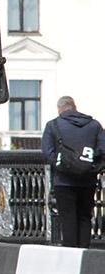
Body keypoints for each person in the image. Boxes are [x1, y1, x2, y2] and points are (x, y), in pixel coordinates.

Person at [41, 95, 105, 248]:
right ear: (75, 107)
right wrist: (94, 168)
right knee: (85, 217)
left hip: (63, 181)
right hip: (88, 180)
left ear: (60, 109)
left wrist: (61, 166)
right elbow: (103, 150)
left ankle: (71, 254)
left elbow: (47, 151)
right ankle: (84, 251)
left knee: (67, 218)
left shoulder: (53, 125)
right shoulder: (94, 125)